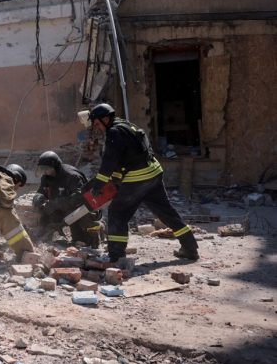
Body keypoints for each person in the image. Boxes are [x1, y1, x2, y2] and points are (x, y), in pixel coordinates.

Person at [84, 103, 199, 262]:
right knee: (166, 212)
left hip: (138, 177)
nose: (97, 127)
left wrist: (98, 185)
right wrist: (115, 180)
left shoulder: (113, 132)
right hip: (154, 172)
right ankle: (190, 248)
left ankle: (116, 256)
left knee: (117, 212)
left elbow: (109, 161)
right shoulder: (126, 125)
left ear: (105, 119)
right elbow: (128, 155)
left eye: (97, 123)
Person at [33, 150, 101, 248]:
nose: (45, 172)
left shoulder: (72, 176)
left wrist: (56, 203)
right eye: (43, 169)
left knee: (82, 243)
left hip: (82, 210)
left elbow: (79, 198)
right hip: (64, 209)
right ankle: (46, 239)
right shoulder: (47, 177)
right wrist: (38, 198)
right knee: (45, 211)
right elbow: (41, 191)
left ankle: (98, 230)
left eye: (47, 169)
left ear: (55, 166)